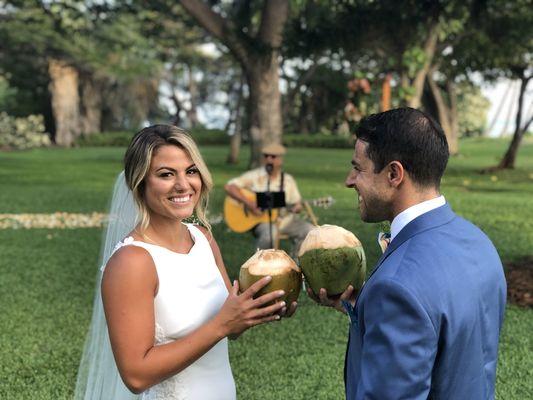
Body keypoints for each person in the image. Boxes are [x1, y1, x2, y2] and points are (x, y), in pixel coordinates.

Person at [75, 125, 293, 400]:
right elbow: (135, 375)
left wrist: (267, 307)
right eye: (166, 174)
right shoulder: (132, 262)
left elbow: (232, 322)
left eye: (191, 171)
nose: (183, 185)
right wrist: (222, 326)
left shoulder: (203, 238)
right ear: (138, 182)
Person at [309, 108, 507, 399]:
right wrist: (361, 308)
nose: (349, 180)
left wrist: (384, 302)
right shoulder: (480, 243)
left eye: (358, 168)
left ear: (393, 174)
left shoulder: (396, 286)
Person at [224, 143, 314, 254]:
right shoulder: (254, 176)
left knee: (310, 231)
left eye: (273, 157)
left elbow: (296, 203)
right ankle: (259, 266)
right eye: (266, 156)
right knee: (270, 234)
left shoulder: (288, 180)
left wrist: (297, 207)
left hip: (285, 221)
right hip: (262, 222)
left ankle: (296, 263)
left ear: (280, 160)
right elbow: (229, 187)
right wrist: (248, 203)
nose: (269, 160)